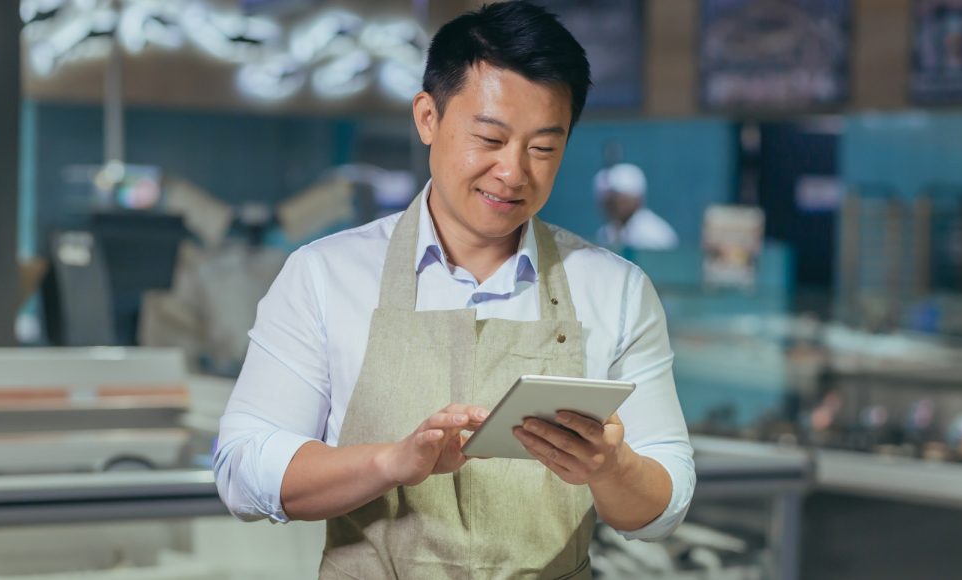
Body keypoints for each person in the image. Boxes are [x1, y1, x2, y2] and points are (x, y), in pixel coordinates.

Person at [212, 3, 694, 578]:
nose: (513, 172)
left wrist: (613, 468)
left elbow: (665, 504)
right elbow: (242, 470)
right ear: (427, 118)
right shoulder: (324, 275)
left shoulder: (614, 289)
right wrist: (390, 463)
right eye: (489, 137)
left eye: (543, 148)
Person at [595, 162, 679, 251]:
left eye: (621, 197)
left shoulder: (653, 234)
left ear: (637, 198)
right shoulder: (606, 233)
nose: (614, 203)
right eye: (610, 198)